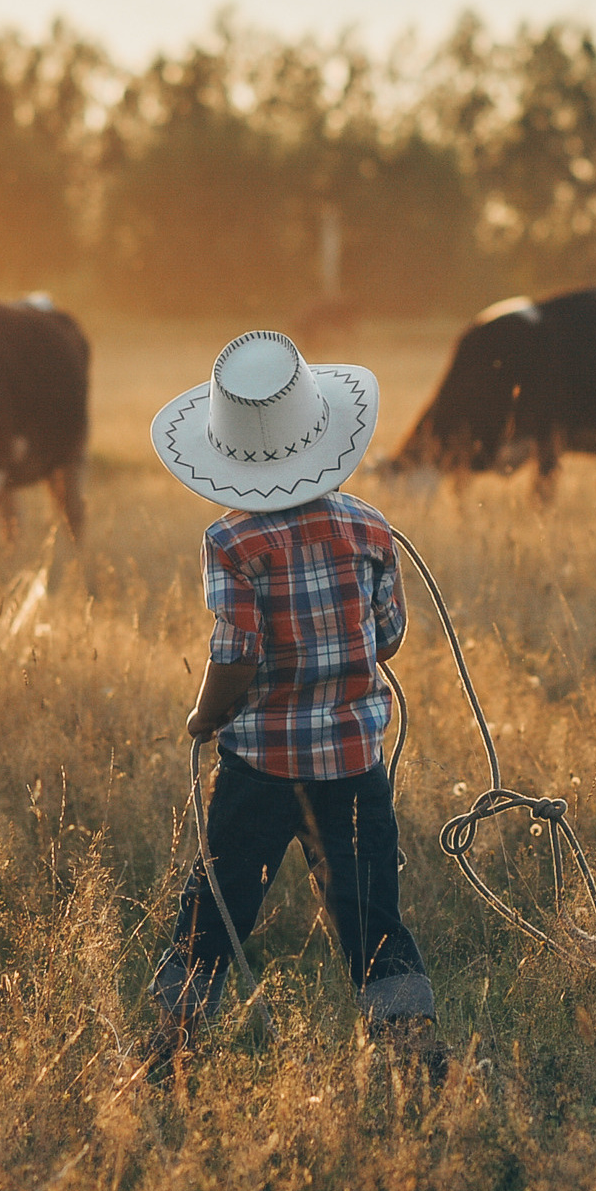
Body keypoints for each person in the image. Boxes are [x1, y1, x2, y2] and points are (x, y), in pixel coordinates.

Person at [141, 329, 441, 1081]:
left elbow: (238, 652)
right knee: (372, 910)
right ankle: (412, 1055)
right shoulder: (370, 527)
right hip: (352, 763)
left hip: (259, 770)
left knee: (218, 902)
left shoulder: (232, 543)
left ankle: (171, 1050)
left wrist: (204, 716)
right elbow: (390, 637)